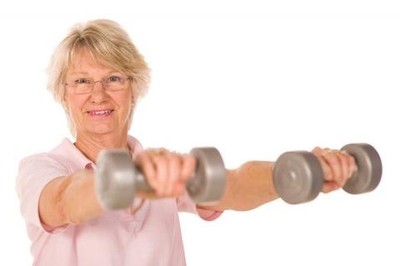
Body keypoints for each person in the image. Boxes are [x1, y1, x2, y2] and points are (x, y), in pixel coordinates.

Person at [16, 19, 356, 266]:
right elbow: (64, 202)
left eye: (113, 79)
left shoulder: (163, 167)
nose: (98, 94)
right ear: (63, 93)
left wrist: (300, 171)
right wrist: (134, 178)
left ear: (134, 88)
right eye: (81, 81)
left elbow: (233, 184)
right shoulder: (42, 169)